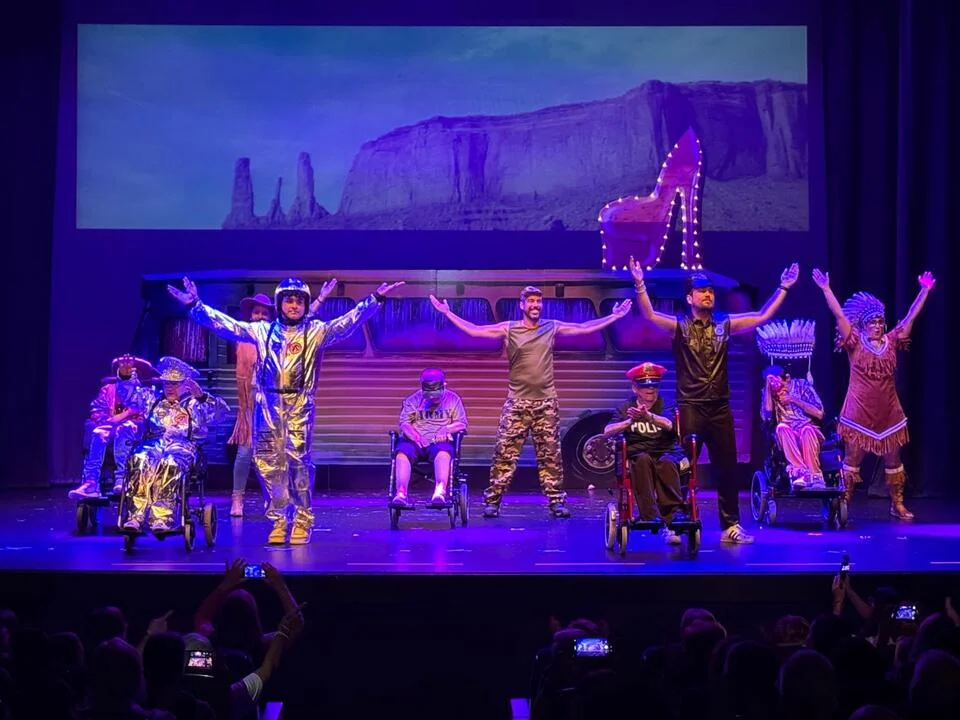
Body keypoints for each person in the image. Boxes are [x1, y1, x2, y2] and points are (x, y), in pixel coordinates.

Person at [169, 276, 404, 544]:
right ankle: (279, 520)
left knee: (298, 463)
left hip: (300, 403)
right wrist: (196, 306)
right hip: (267, 404)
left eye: (299, 301)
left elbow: (346, 323)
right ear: (280, 303)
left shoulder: (315, 331)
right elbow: (227, 325)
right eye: (289, 300)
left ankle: (302, 520)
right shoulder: (262, 331)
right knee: (268, 464)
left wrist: (374, 300)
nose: (294, 305)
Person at [630, 257, 800, 543]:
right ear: (689, 298)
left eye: (710, 291)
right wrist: (639, 283)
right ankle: (675, 523)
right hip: (690, 406)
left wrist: (783, 288)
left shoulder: (724, 324)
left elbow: (761, 316)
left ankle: (730, 526)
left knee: (727, 468)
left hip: (719, 407)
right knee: (681, 464)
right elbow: (649, 315)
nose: (708, 294)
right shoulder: (680, 326)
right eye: (701, 291)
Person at [430, 286, 632, 518]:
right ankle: (493, 501)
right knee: (504, 455)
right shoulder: (510, 328)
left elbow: (583, 328)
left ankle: (556, 501)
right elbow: (475, 331)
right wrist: (448, 313)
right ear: (522, 305)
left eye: (538, 301)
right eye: (531, 301)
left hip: (546, 403)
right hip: (517, 403)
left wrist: (614, 316)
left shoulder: (550, 327)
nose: (536, 305)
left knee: (550, 456)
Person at [812, 268, 935, 519]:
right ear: (863, 325)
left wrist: (924, 290)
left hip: (889, 412)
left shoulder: (891, 341)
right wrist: (826, 289)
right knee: (852, 460)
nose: (877, 326)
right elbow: (839, 314)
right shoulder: (854, 341)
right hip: (859, 411)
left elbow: (910, 318)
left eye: (880, 322)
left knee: (894, 460)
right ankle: (843, 504)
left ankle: (897, 504)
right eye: (872, 322)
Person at [229, 284, 338, 517]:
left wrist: (320, 299)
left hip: (282, 401)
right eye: (256, 312)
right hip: (254, 402)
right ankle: (240, 498)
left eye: (263, 312)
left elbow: (301, 323)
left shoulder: (276, 334)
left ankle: (290, 507)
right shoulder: (249, 337)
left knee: (291, 456)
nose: (259, 316)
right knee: (249, 453)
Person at [123, 356, 229, 533]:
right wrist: (125, 377)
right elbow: (130, 397)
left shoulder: (196, 404)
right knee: (139, 459)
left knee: (170, 462)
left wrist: (202, 396)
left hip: (184, 446)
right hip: (154, 443)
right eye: (166, 383)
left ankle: (161, 517)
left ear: (185, 385)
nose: (169, 388)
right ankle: (135, 516)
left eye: (174, 384)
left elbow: (221, 413)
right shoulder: (153, 400)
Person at [602, 362, 686, 545]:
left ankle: (673, 516)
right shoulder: (625, 407)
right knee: (642, 460)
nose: (650, 390)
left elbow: (669, 424)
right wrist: (629, 422)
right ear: (635, 388)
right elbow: (607, 431)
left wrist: (649, 417)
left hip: (665, 450)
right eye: (645, 386)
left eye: (654, 385)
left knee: (667, 463)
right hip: (639, 452)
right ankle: (649, 515)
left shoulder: (666, 403)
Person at [69, 354, 158, 500]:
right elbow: (97, 410)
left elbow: (147, 416)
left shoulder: (146, 393)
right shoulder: (108, 390)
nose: (128, 373)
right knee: (98, 432)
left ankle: (122, 478)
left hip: (135, 432)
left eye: (131, 371)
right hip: (110, 427)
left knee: (124, 430)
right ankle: (91, 483)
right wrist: (115, 419)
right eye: (124, 371)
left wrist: (129, 419)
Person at [756, 319, 826, 489]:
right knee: (782, 427)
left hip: (807, 427)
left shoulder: (801, 385)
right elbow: (766, 415)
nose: (774, 386)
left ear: (786, 379)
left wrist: (794, 399)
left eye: (776, 381)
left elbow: (819, 413)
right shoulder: (769, 393)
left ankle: (815, 476)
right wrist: (768, 387)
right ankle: (800, 473)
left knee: (807, 430)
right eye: (771, 382)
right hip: (786, 432)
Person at [392, 368, 468, 507]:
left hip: (439, 442)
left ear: (444, 386)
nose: (433, 399)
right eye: (430, 397)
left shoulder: (453, 399)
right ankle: (401, 493)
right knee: (402, 451)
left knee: (443, 451)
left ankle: (440, 491)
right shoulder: (413, 400)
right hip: (416, 442)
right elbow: (404, 423)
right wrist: (415, 436)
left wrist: (446, 429)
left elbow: (462, 423)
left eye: (436, 397)